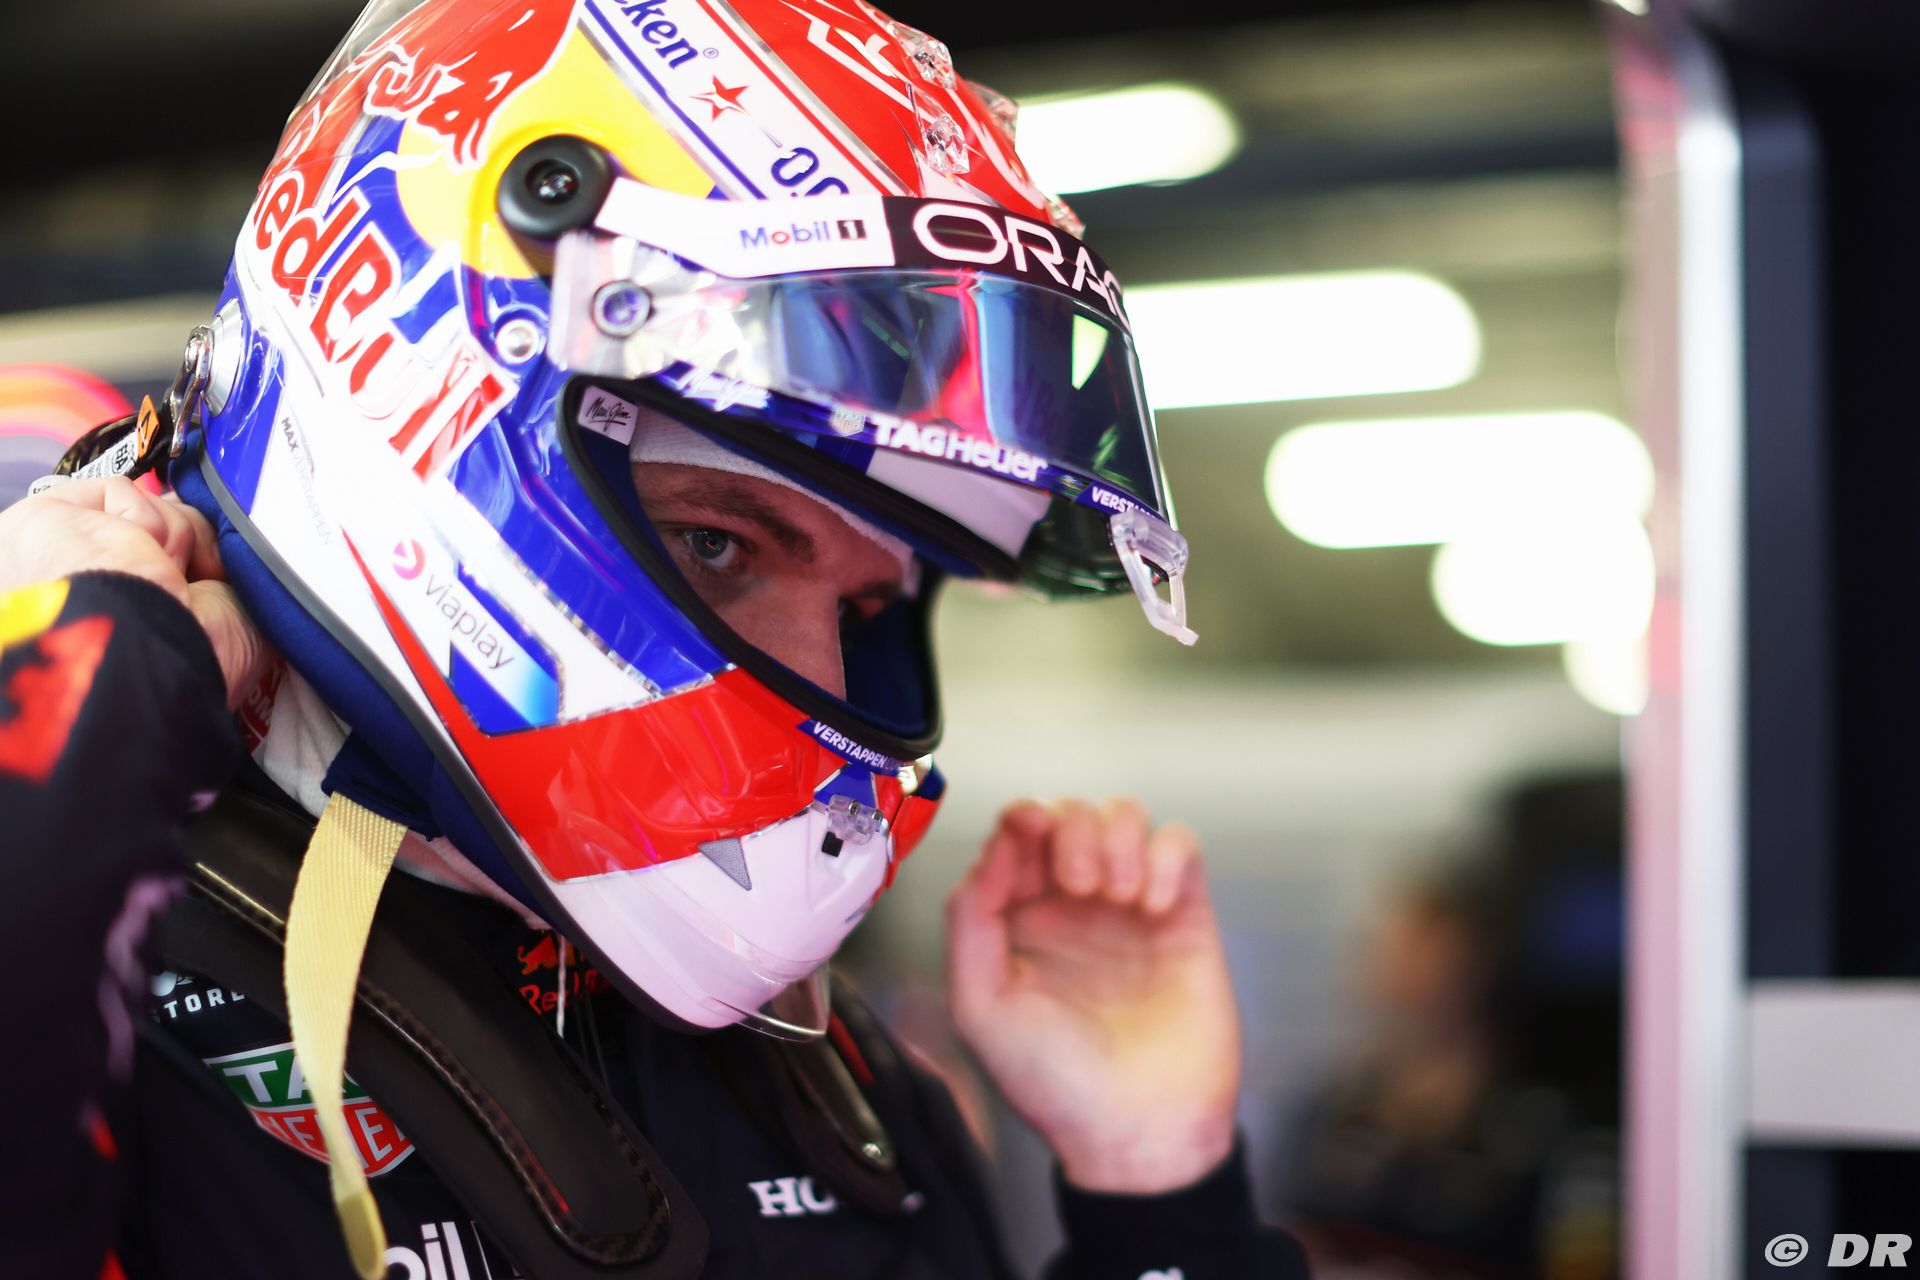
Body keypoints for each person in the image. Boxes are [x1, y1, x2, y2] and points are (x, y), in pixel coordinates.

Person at [0, 1, 1309, 1277]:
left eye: (863, 610)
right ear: (413, 401)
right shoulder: (109, 990)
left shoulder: (835, 1085)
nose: (824, 677)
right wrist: (58, 742)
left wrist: (1160, 1195)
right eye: (721, 545)